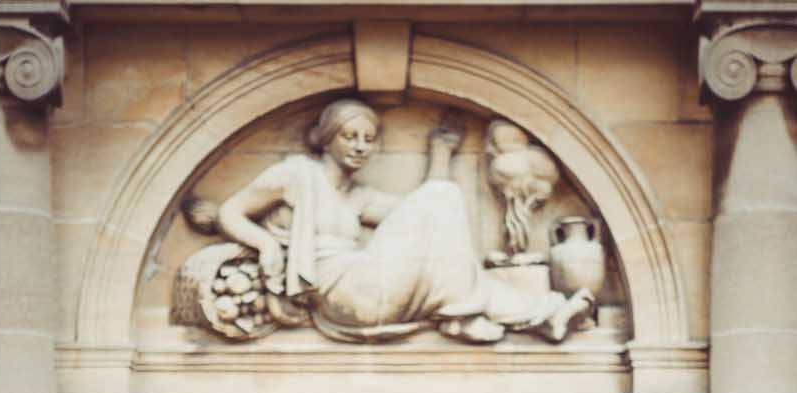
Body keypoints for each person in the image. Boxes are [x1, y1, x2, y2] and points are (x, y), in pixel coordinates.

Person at [206, 98, 594, 343]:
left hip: (367, 284)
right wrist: (268, 244)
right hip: (342, 296)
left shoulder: (357, 199)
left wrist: (440, 152)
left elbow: (431, 219)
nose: (360, 146)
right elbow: (230, 212)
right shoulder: (295, 175)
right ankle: (474, 315)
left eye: (369, 138)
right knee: (442, 199)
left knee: (442, 214)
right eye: (350, 136)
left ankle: (541, 314)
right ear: (326, 138)